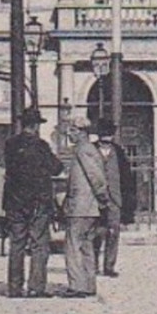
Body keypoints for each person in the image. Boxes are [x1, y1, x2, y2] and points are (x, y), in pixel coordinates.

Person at [3, 107, 64, 298]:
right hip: (38, 201)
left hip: (15, 201)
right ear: (37, 125)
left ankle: (14, 287)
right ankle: (36, 287)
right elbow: (56, 168)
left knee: (17, 243)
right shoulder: (41, 146)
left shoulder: (10, 145)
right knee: (39, 244)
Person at [56, 117, 118, 299]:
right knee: (86, 246)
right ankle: (88, 285)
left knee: (73, 245)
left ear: (81, 132)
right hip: (89, 207)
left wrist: (103, 198)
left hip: (81, 206)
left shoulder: (83, 150)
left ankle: (77, 286)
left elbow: (96, 177)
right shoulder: (89, 149)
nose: (70, 134)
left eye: (72, 131)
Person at [92, 118, 132, 279]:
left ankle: (109, 265)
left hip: (115, 198)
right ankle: (93, 264)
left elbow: (126, 177)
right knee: (96, 232)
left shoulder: (118, 152)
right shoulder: (92, 150)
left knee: (113, 232)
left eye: (109, 134)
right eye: (104, 134)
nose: (107, 137)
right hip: (96, 199)